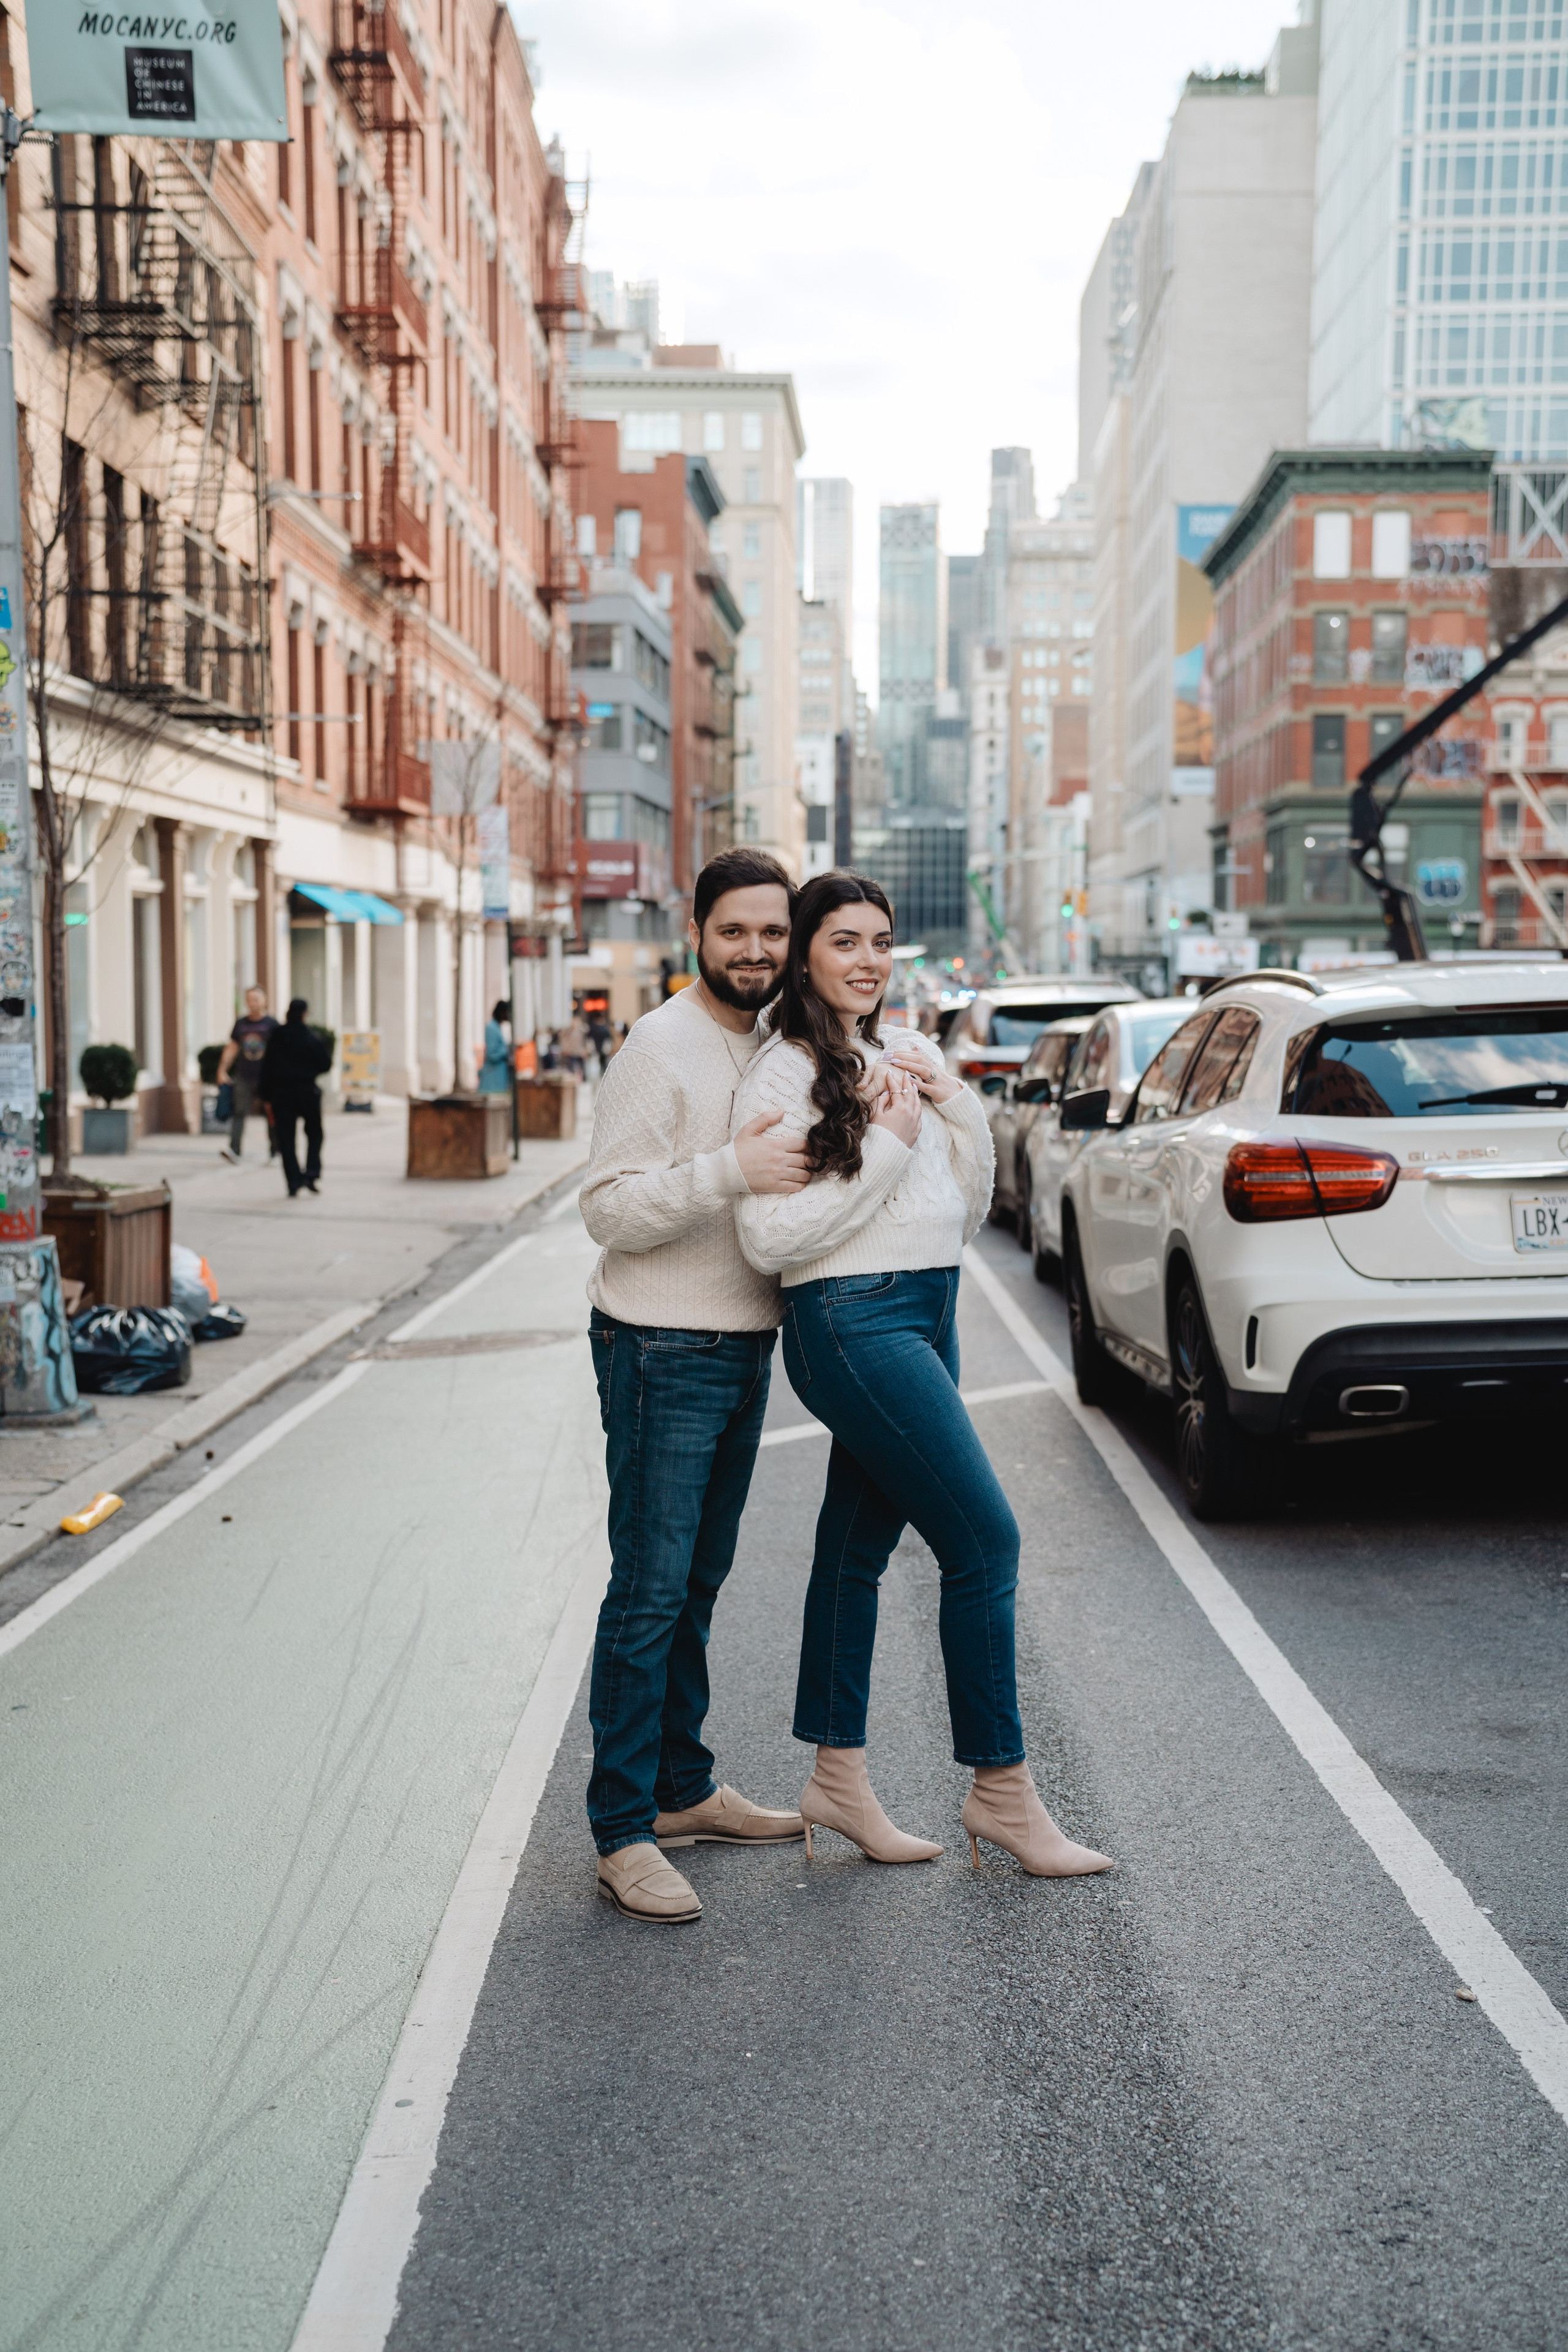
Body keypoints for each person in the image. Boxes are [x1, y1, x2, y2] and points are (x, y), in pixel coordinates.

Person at [731, 871, 1112, 1880]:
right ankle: (1003, 1795)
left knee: (854, 1551)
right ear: (805, 952)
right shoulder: (781, 1077)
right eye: (845, 941)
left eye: (881, 942)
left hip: (929, 1310)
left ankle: (837, 1782)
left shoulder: (904, 1051)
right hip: (849, 1322)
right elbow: (770, 1239)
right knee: (985, 1540)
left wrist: (955, 1109)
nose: (868, 961)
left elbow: (972, 1205)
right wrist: (889, 1148)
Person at [579, 846, 813, 1924]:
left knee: (700, 1584)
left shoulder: (776, 1045)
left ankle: (682, 1791)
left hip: (741, 1343)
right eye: (736, 932)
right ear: (697, 932)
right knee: (649, 1591)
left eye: (773, 932)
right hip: (659, 1350)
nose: (756, 950)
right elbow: (611, 1209)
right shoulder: (657, 1047)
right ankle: (623, 1831)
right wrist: (731, 1170)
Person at [259, 998, 332, 1198]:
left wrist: (266, 1096)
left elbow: (267, 1068)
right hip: (307, 1091)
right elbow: (326, 1063)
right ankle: (311, 1173)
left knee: (286, 1139)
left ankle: (293, 1181)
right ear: (305, 1014)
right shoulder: (310, 1037)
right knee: (315, 1134)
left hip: (281, 1094)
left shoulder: (277, 1037)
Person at [217, 986, 277, 1164]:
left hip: (267, 1077)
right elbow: (233, 1047)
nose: (253, 1004)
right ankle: (234, 1150)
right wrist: (222, 1070)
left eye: (257, 1000)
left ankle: (275, 1151)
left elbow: (281, 1050)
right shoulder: (241, 1024)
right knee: (239, 1111)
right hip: (244, 1075)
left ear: (264, 1001)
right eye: (250, 1000)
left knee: (271, 1114)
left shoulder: (272, 1024)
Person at [480, 1000, 512, 1095]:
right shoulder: (491, 1028)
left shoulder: (497, 1027)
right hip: (493, 1077)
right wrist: (507, 1050)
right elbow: (492, 1054)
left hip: (499, 1076)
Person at [559, 1008, 589, 1080]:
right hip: (571, 1052)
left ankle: (582, 1081)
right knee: (571, 1069)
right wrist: (564, 1049)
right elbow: (563, 1040)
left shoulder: (583, 1030)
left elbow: (586, 1041)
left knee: (582, 1069)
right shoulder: (568, 1031)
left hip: (580, 1052)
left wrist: (586, 1051)